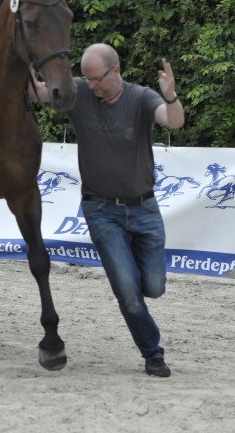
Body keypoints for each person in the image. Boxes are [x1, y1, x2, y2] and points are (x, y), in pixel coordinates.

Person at [33, 43, 185, 377]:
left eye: (97, 79)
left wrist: (171, 96)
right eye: (86, 79)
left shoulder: (141, 98)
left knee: (154, 287)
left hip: (144, 210)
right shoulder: (81, 92)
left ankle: (132, 273)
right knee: (129, 294)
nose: (91, 86)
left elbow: (173, 122)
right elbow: (39, 93)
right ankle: (153, 354)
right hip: (100, 211)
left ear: (115, 71)